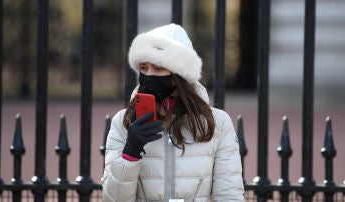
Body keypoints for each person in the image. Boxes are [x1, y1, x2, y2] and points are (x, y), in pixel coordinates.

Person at [102, 23, 245, 202]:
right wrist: (130, 152)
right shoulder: (123, 121)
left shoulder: (218, 122)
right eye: (144, 68)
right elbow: (112, 199)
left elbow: (229, 195)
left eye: (158, 68)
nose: (149, 75)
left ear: (180, 74)